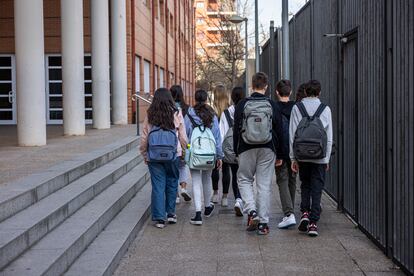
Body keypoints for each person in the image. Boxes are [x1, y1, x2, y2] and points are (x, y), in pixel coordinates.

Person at [233, 72, 284, 235]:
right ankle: (263, 223)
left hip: (246, 147)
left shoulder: (242, 104)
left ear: (252, 85)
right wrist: (281, 154)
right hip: (267, 148)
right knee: (264, 185)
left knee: (244, 179)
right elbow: (280, 130)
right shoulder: (272, 104)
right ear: (266, 86)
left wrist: (236, 150)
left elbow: (236, 129)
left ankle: (251, 211)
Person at [289, 80, 333, 237]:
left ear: (305, 92)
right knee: (317, 188)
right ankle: (314, 223)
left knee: (305, 184)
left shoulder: (297, 107)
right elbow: (328, 136)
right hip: (319, 155)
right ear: (319, 93)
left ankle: (305, 213)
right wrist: (326, 158)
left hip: (302, 154)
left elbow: (292, 133)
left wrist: (293, 157)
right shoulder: (325, 109)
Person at [140, 88, 188, 229]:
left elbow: (144, 137)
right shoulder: (177, 113)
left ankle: (160, 218)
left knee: (158, 185)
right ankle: (171, 214)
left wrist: (144, 153)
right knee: (172, 182)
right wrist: (185, 149)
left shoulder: (150, 114)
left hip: (154, 155)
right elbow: (183, 136)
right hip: (173, 154)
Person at [185, 89, 223, 225]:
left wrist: (186, 149)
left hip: (194, 152)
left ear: (195, 99)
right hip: (209, 153)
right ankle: (207, 207)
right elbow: (217, 137)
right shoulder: (212, 114)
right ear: (206, 99)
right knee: (206, 179)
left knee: (195, 181)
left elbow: (185, 134)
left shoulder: (189, 114)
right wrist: (219, 156)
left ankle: (197, 214)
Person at [274, 80, 297, 229]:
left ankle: (289, 213)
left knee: (282, 179)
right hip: (295, 150)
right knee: (292, 180)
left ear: (277, 92)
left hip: (280, 150)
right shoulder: (296, 107)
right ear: (291, 92)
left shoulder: (274, 107)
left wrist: (277, 155)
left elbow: (274, 132)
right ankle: (290, 210)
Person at [219, 86, 245, 216]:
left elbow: (221, 133)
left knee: (235, 174)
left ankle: (238, 199)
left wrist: (220, 153)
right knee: (244, 176)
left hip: (230, 149)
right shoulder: (247, 110)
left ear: (232, 98)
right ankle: (242, 199)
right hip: (245, 148)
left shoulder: (226, 113)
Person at [170, 85, 192, 203]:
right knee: (183, 166)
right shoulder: (187, 109)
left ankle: (176, 195)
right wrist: (187, 145)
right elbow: (188, 128)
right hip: (184, 141)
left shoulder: (169, 107)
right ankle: (183, 188)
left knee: (173, 169)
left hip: (171, 143)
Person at [210, 84, 229, 205]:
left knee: (214, 169)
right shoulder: (230, 110)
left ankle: (216, 193)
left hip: (215, 144)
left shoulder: (211, 112)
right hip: (227, 144)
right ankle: (225, 197)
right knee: (226, 170)